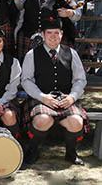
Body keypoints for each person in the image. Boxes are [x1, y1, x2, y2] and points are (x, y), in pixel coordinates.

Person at [21, 17, 87, 166]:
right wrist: (42, 97)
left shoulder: (71, 53)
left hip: (66, 98)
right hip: (41, 98)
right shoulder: (32, 55)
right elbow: (26, 80)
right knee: (43, 120)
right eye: (49, 32)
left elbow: (80, 80)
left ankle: (71, 153)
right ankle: (33, 150)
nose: (52, 36)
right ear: (42, 35)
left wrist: (72, 97)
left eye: (56, 33)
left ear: (61, 34)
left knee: (76, 122)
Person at [15, 0, 81, 61]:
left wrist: (69, 13)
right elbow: (19, 8)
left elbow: (78, 13)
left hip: (54, 39)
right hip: (29, 37)